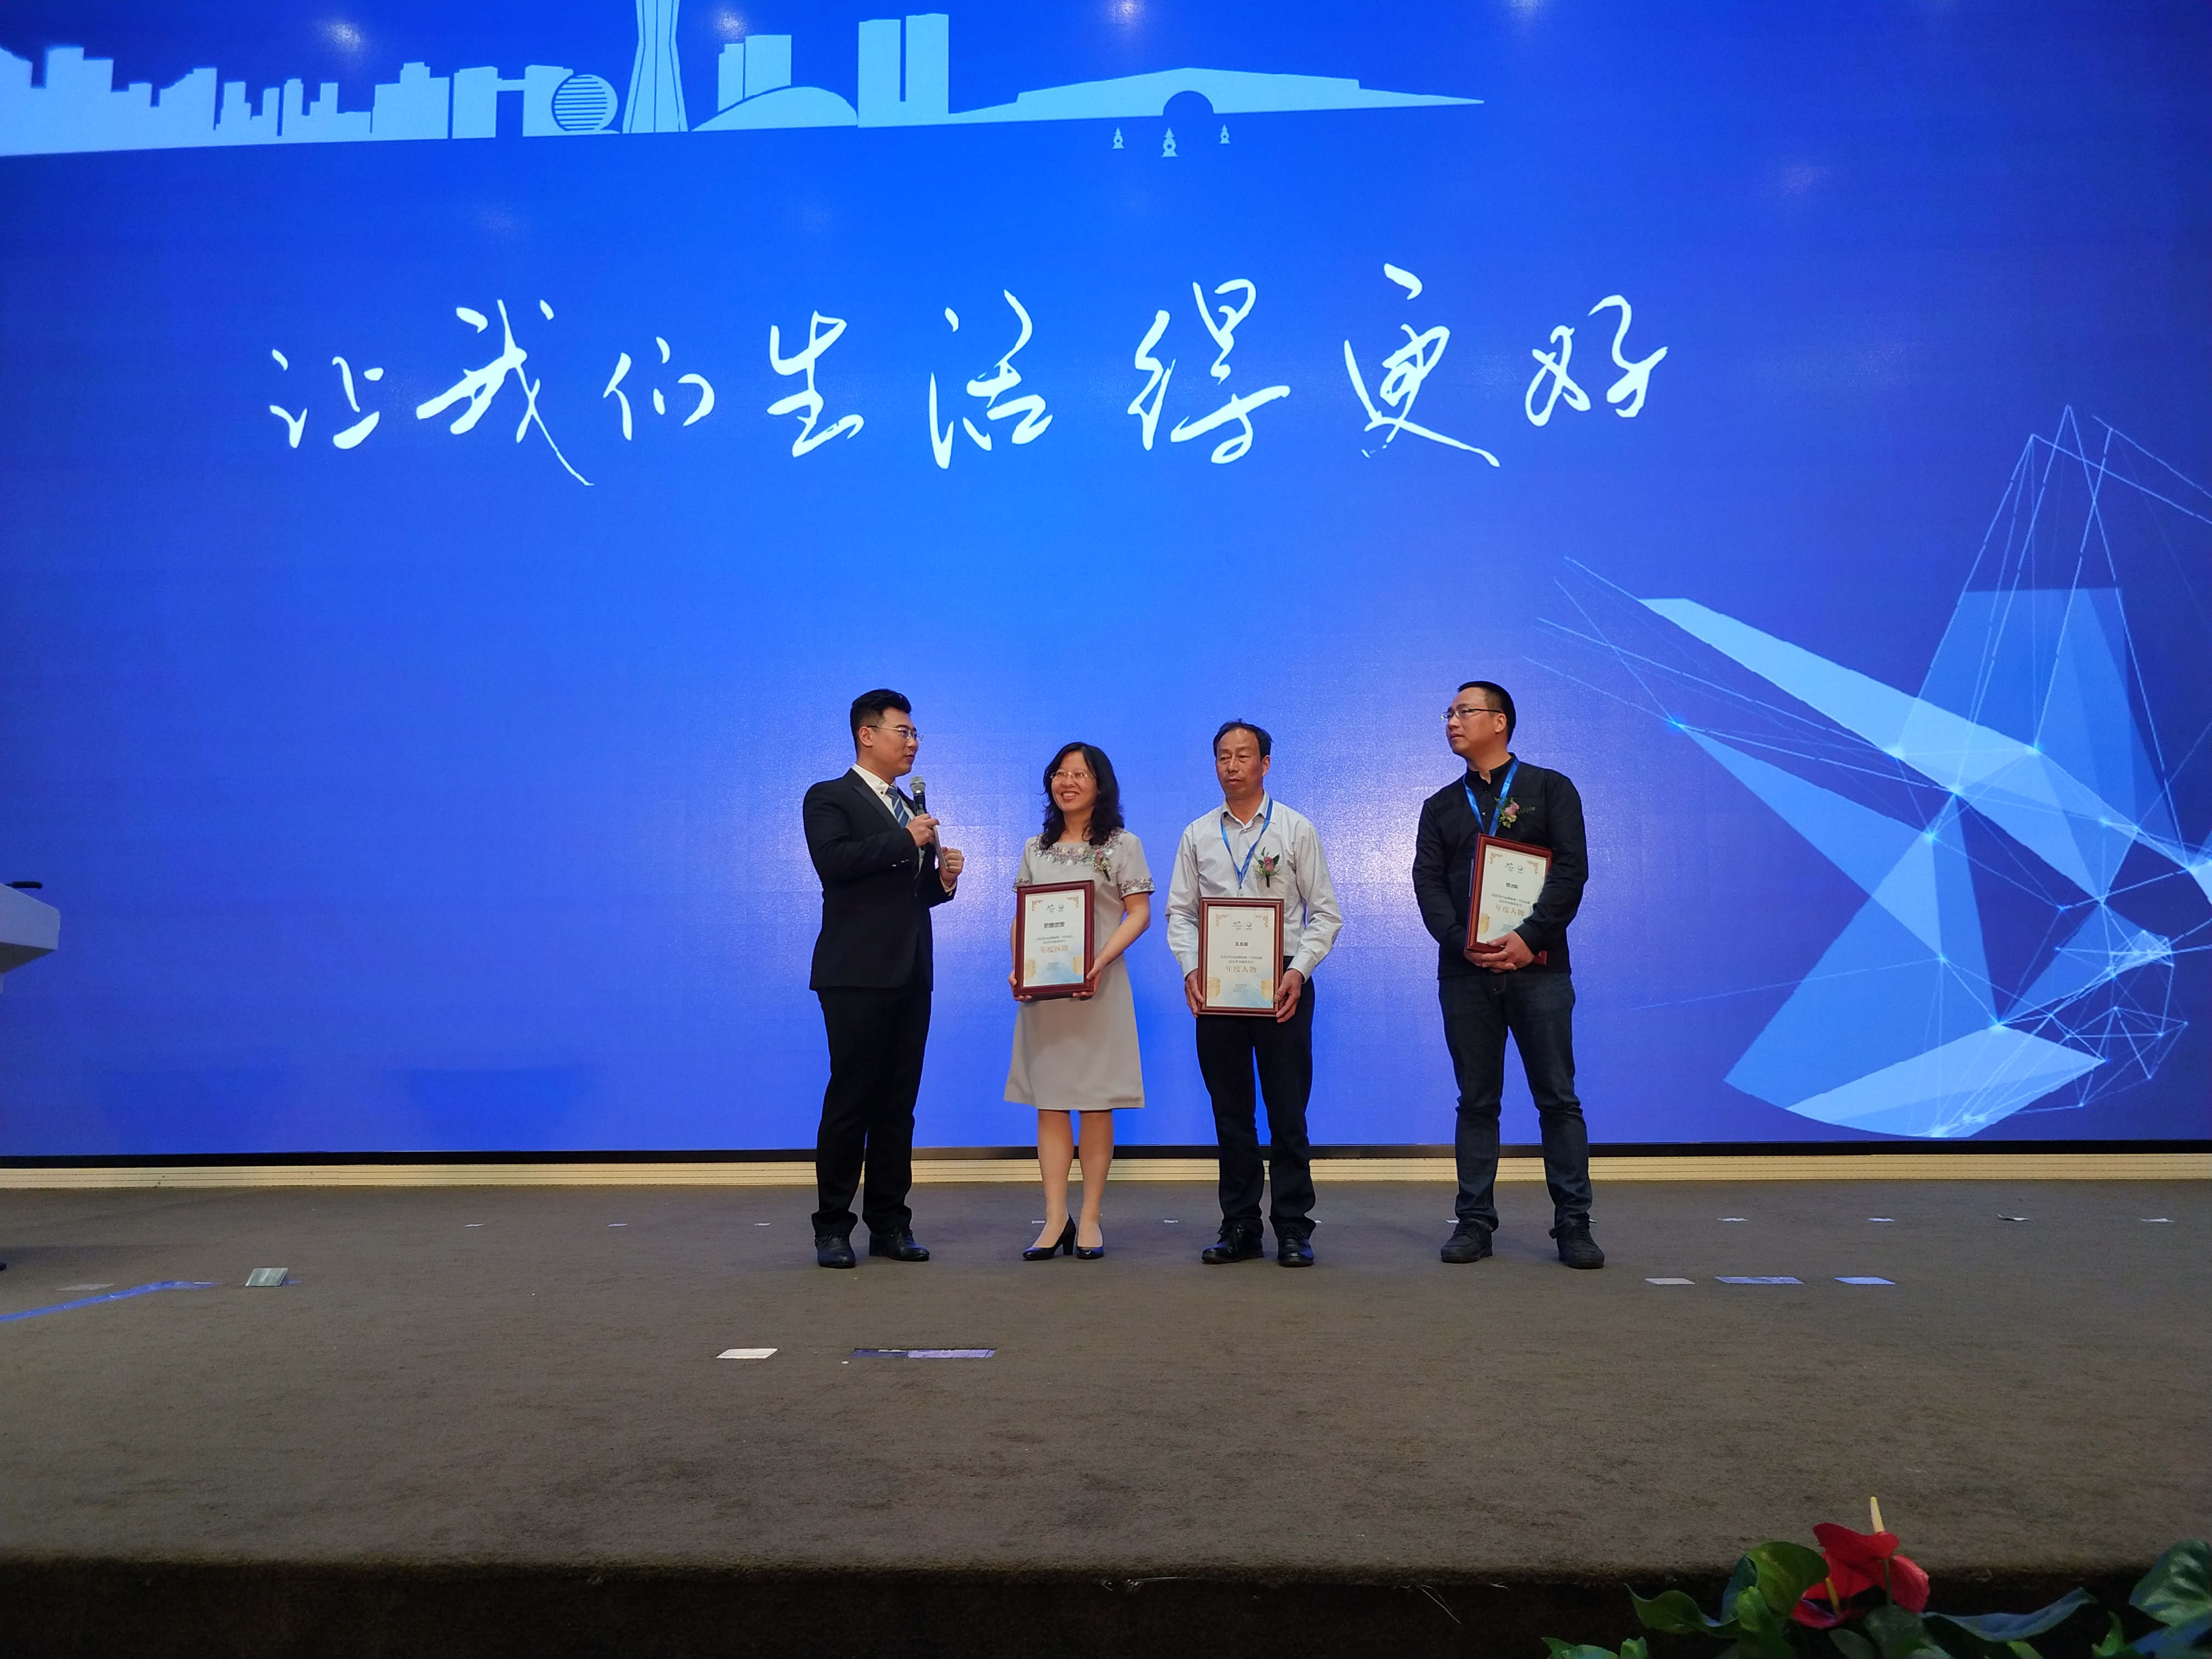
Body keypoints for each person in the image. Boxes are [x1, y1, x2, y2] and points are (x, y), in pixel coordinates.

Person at [1410, 681, 1602, 1269]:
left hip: (1540, 969)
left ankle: (1574, 1225)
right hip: (1464, 974)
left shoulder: (1550, 788)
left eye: (1464, 711)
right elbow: (1428, 884)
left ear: (1500, 722)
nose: (1452, 721)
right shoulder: (1441, 806)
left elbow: (1571, 871)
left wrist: (1529, 937)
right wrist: (1461, 943)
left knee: (1558, 1099)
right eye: (1448, 713)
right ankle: (1474, 1223)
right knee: (1476, 1101)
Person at [1165, 720, 1342, 1267]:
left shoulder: (1295, 829)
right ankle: (1240, 1225)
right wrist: (1191, 970)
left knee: (1288, 1111)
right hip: (1218, 986)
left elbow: (1325, 914)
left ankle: (1293, 1226)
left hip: (1282, 984)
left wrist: (1300, 971)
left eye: (1244, 755)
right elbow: (1180, 914)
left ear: (1266, 764)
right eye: (1224, 756)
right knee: (1231, 1112)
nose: (1232, 765)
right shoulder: (1197, 834)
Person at [800, 690, 964, 1269]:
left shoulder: (906, 804)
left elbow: (908, 895)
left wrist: (942, 882)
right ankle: (832, 1228)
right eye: (903, 731)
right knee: (852, 1101)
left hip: (911, 971)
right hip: (856, 975)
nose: (913, 742)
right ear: (866, 735)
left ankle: (891, 1224)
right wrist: (906, 840)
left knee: (898, 1105)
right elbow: (834, 863)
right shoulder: (829, 796)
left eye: (916, 733)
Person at [1005, 743, 1154, 1260]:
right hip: (1045, 995)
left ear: (1100, 784)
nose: (1067, 782)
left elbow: (1139, 913)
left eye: (1080, 774)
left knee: (1094, 1102)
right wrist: (1020, 967)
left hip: (1099, 988)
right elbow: (1023, 918)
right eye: (1060, 774)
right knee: (1049, 1102)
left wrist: (1100, 961)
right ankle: (1054, 1218)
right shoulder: (1035, 848)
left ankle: (1089, 1217)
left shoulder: (1122, 845)